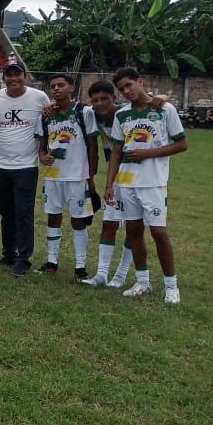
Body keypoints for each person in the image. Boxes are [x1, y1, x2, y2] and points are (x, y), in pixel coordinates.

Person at [104, 67, 187, 304]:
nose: (126, 91)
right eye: (121, 89)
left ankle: (171, 286)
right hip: (127, 182)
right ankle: (142, 282)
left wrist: (148, 153)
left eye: (129, 85)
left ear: (140, 82)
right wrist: (109, 184)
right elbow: (116, 152)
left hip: (154, 182)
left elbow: (181, 144)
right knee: (133, 231)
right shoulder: (122, 115)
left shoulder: (164, 109)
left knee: (159, 232)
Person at [0, 60, 51, 276]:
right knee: (6, 212)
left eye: (18, 74)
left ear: (25, 76)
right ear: (4, 78)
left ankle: (24, 259)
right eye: (9, 75)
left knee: (23, 213)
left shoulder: (39, 97)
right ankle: (8, 253)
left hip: (26, 167)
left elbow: (50, 120)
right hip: (0, 165)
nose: (13, 78)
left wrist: (44, 150)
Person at [33, 73, 99, 279]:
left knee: (79, 220)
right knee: (53, 217)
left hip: (77, 177)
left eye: (61, 85)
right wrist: (43, 157)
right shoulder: (45, 116)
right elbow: (41, 147)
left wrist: (90, 176)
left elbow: (92, 146)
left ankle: (80, 266)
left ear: (72, 88)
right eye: (53, 86)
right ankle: (52, 262)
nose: (56, 89)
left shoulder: (84, 112)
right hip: (53, 177)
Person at [80, 80, 137, 288]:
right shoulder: (93, 115)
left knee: (133, 227)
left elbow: (153, 101)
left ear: (114, 98)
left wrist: (163, 97)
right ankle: (101, 275)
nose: (100, 103)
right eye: (95, 100)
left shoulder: (128, 113)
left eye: (104, 98)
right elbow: (71, 106)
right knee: (109, 223)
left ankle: (120, 275)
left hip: (139, 177)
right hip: (114, 178)